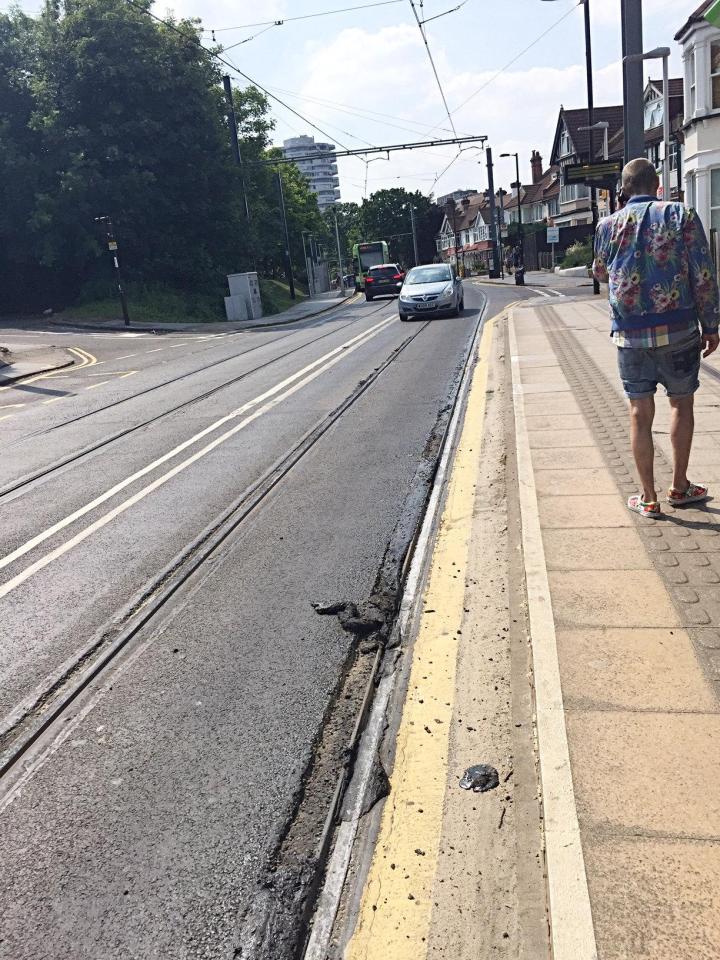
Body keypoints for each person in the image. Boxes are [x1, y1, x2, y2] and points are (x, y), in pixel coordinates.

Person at [593, 157, 720, 518]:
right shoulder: (682, 216)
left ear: (624, 189)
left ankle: (648, 498)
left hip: (630, 337)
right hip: (680, 330)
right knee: (681, 404)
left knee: (639, 412)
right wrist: (711, 325)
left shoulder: (607, 225)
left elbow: (601, 273)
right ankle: (680, 486)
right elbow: (704, 274)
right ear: (657, 184)